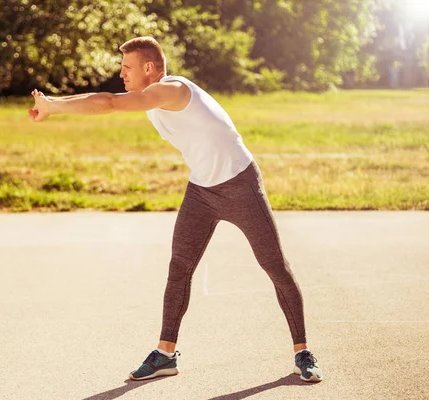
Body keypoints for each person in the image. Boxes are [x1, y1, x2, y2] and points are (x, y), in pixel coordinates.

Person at [29, 36, 323, 383]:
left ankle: (302, 352)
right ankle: (166, 355)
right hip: (202, 189)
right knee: (179, 266)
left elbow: (107, 103)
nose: (121, 74)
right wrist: (55, 105)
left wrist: (53, 105)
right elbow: (108, 102)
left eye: (127, 67)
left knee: (274, 264)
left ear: (149, 69)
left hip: (240, 183)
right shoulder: (150, 101)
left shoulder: (171, 90)